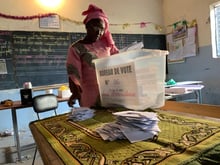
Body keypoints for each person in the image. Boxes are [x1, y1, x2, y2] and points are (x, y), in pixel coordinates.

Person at [66, 4, 119, 108]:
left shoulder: (107, 46)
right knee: (92, 122)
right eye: (95, 27)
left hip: (110, 93)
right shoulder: (76, 48)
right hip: (89, 95)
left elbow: (120, 60)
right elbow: (73, 73)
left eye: (102, 29)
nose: (99, 32)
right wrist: (75, 93)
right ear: (87, 26)